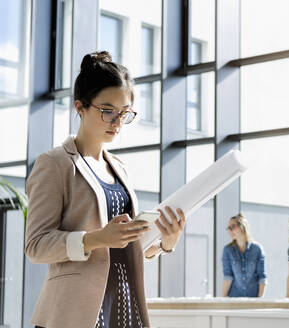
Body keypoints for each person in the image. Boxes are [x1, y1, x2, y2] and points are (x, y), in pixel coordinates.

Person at [25, 51, 186, 328]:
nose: (117, 122)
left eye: (125, 113)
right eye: (108, 111)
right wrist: (97, 238)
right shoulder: (55, 164)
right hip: (74, 314)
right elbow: (36, 246)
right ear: (80, 107)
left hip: (122, 307)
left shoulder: (119, 168)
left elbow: (123, 247)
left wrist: (164, 244)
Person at [221, 213, 267, 297]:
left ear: (242, 227)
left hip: (253, 300)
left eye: (233, 227)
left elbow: (262, 277)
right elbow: (227, 277)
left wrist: (260, 301)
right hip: (234, 299)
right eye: (228, 228)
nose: (230, 230)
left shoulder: (257, 249)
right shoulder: (228, 250)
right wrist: (222, 301)